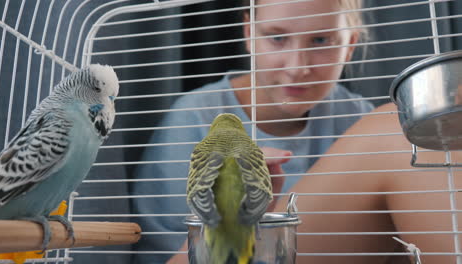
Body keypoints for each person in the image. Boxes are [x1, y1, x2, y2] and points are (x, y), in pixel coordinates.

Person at [131, 0, 374, 263]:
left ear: (350, 45)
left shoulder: (360, 118)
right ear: (249, 33)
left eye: (320, 40)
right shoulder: (194, 119)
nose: (297, 68)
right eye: (277, 37)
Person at [272, 102, 462, 264]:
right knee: (402, 130)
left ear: (348, 56)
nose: (298, 69)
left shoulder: (355, 108)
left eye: (319, 55)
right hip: (256, 243)